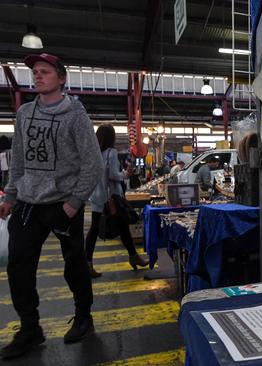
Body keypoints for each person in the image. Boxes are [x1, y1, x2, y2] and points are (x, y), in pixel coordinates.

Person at [0, 53, 103, 359]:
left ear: (61, 78)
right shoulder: (24, 113)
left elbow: (92, 163)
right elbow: (18, 158)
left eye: (44, 71)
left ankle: (84, 317)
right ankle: (31, 329)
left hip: (63, 204)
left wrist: (73, 204)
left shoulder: (76, 116)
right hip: (29, 202)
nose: (37, 76)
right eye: (35, 72)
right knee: (18, 264)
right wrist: (10, 195)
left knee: (74, 264)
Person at [86, 124, 149, 278]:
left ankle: (133, 257)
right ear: (111, 138)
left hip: (96, 197)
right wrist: (126, 174)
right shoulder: (111, 153)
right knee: (100, 229)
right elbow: (113, 175)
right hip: (111, 198)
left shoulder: (93, 154)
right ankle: (87, 264)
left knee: (116, 227)